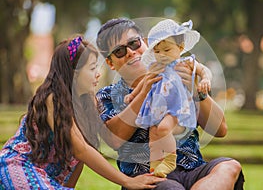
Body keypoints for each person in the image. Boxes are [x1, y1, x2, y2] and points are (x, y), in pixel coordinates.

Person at [96, 17, 244, 189]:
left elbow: (220, 130)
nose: (130, 52)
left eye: (134, 43)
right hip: (148, 177)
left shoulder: (181, 77)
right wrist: (144, 92)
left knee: (229, 166)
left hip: (193, 170)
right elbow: (115, 139)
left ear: (144, 44)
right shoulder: (107, 95)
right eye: (119, 51)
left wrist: (195, 91)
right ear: (110, 63)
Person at [0, 36, 165, 189]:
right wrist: (127, 181)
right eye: (93, 68)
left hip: (47, 178)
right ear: (74, 73)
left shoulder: (88, 104)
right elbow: (81, 150)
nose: (98, 74)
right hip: (19, 166)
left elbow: (80, 158)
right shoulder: (52, 99)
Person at [123, 19, 213, 178]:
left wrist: (205, 79)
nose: (162, 55)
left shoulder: (187, 63)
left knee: (164, 129)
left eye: (167, 49)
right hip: (158, 108)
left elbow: (204, 70)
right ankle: (156, 163)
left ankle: (170, 159)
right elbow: (145, 81)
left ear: (180, 47)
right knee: (153, 134)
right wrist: (133, 94)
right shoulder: (156, 68)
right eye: (157, 52)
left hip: (177, 108)